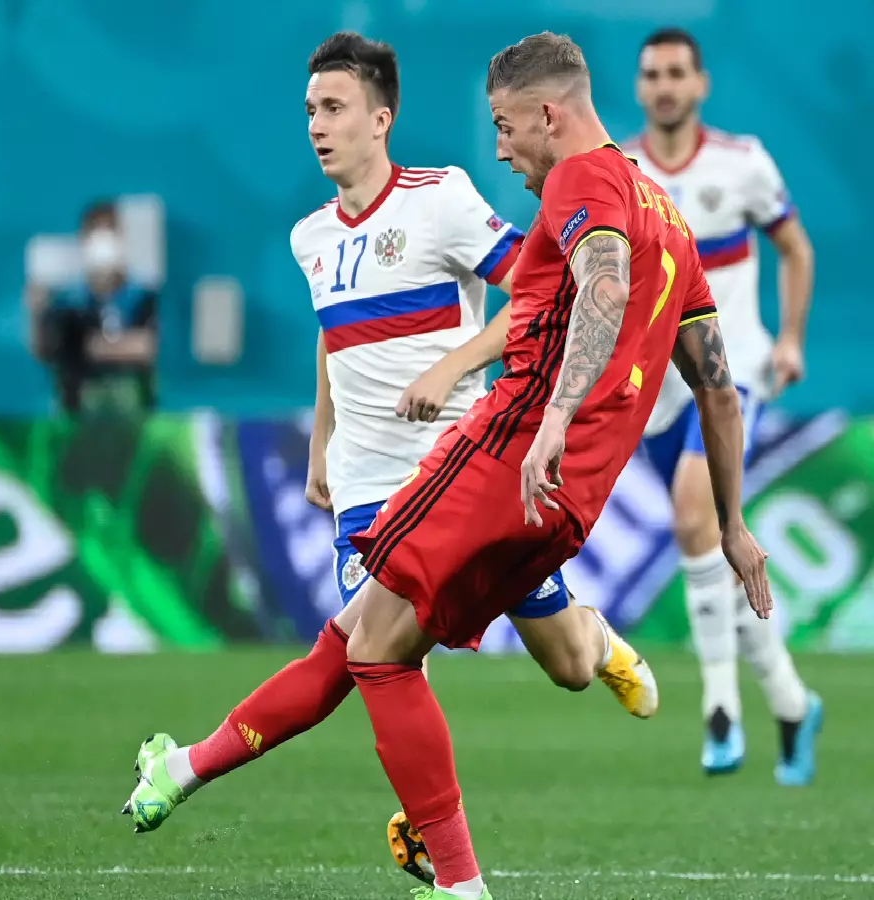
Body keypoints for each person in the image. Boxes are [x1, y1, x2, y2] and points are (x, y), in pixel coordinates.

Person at [122, 32, 772, 899]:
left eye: (505, 127)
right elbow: (719, 392)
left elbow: (604, 286)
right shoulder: (671, 221)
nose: (500, 149)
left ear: (549, 114)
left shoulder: (578, 182)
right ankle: (194, 772)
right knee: (376, 641)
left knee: (376, 654)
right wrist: (733, 526)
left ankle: (457, 881)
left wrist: (551, 421)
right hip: (564, 502)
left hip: (501, 455)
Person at [288, 32, 653, 885]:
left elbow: (536, 292)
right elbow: (331, 337)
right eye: (309, 110)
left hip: (468, 472)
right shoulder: (309, 237)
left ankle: (597, 644)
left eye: (334, 108)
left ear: (384, 119)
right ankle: (444, 848)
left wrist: (454, 363)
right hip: (372, 490)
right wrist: (322, 443)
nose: (317, 126)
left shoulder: (443, 201)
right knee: (381, 654)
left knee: (562, 666)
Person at [625, 27, 821, 783]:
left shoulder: (742, 162)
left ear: (701, 83)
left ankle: (720, 711)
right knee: (707, 540)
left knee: (689, 515)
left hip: (730, 370)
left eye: (678, 72)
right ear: (640, 88)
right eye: (652, 74)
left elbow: (796, 246)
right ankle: (793, 702)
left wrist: (792, 340)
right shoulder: (626, 171)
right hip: (659, 389)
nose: (666, 85)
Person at [26, 201, 158, 412]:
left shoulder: (146, 297)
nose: (104, 242)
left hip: (136, 416)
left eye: (111, 230)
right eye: (95, 232)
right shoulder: (66, 302)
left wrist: (86, 345)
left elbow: (151, 347)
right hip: (78, 418)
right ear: (83, 241)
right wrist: (35, 312)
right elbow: (47, 350)